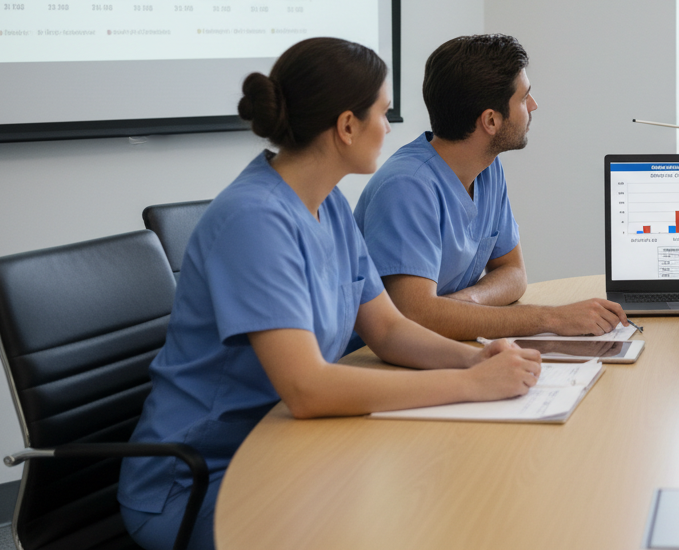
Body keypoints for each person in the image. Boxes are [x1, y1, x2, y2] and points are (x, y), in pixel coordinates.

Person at [118, 38, 542, 550]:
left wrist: (472, 363)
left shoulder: (330, 206)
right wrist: (471, 385)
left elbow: (387, 329)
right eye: (383, 114)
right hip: (200, 481)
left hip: (292, 445)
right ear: (346, 126)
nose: (390, 128)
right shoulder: (255, 220)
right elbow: (308, 389)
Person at [355, 34, 628, 340]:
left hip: (444, 342)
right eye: (524, 98)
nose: (534, 106)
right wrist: (549, 317)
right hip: (372, 362)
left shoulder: (487, 167)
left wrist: (465, 304)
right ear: (491, 121)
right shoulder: (406, 187)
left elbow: (513, 274)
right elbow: (417, 316)